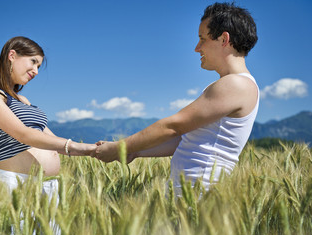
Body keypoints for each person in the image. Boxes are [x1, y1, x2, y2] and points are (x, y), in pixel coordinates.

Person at [94, 2, 259, 194]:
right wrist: (135, 151)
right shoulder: (233, 85)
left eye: (202, 39)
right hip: (189, 193)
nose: (197, 48)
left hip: (198, 194)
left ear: (223, 39)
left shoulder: (236, 85)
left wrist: (119, 147)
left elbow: (174, 126)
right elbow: (185, 139)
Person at [0, 36, 96, 235]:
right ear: (12, 55)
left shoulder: (23, 100)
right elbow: (23, 134)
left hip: (50, 188)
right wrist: (83, 148)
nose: (36, 72)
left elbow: (51, 139)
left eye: (39, 66)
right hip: (15, 187)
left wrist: (96, 149)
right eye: (33, 62)